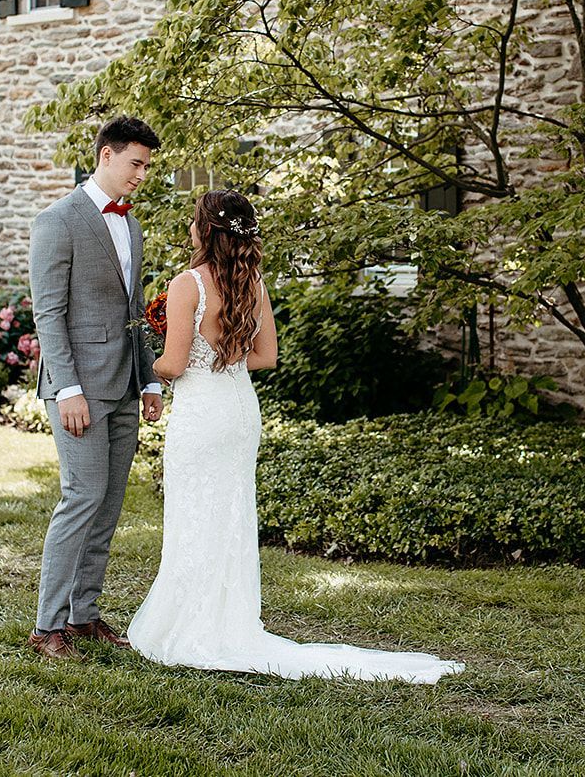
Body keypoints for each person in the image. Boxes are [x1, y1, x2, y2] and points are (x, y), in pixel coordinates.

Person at [128, 189, 463, 682]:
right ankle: (231, 620)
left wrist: (143, 360)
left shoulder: (187, 284)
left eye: (194, 222)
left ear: (206, 231)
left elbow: (174, 365)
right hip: (240, 409)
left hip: (202, 414)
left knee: (195, 511)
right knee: (233, 512)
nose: (190, 230)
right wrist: (225, 356)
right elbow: (265, 357)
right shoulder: (252, 282)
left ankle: (193, 625)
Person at [25, 116, 165, 662]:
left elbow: (134, 312)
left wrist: (149, 378)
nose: (142, 176)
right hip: (78, 388)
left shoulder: (131, 225)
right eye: (136, 163)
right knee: (80, 497)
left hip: (126, 385)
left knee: (107, 505)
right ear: (106, 156)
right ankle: (46, 626)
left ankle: (84, 616)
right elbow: (49, 314)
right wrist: (67, 389)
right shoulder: (56, 221)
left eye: (148, 167)